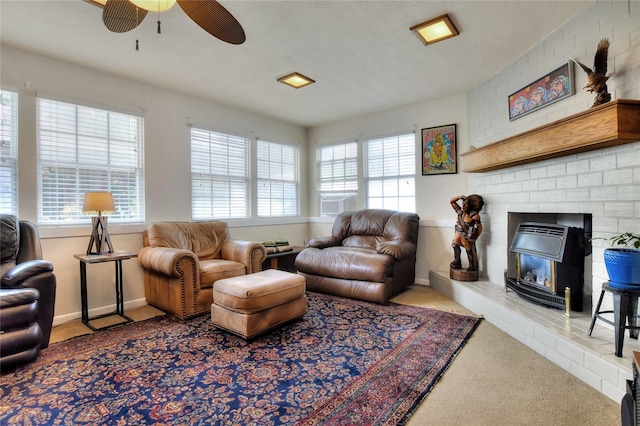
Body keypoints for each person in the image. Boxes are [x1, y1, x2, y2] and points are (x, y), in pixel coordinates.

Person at [450, 194, 484, 272]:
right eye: (463, 204)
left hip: (465, 235)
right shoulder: (460, 212)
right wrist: (459, 197)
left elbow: (479, 227)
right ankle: (457, 260)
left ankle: (471, 265)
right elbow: (451, 202)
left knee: (468, 249)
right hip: (458, 232)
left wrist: (475, 238)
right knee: (454, 245)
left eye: (466, 204)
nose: (463, 206)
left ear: (470, 205)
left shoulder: (474, 216)